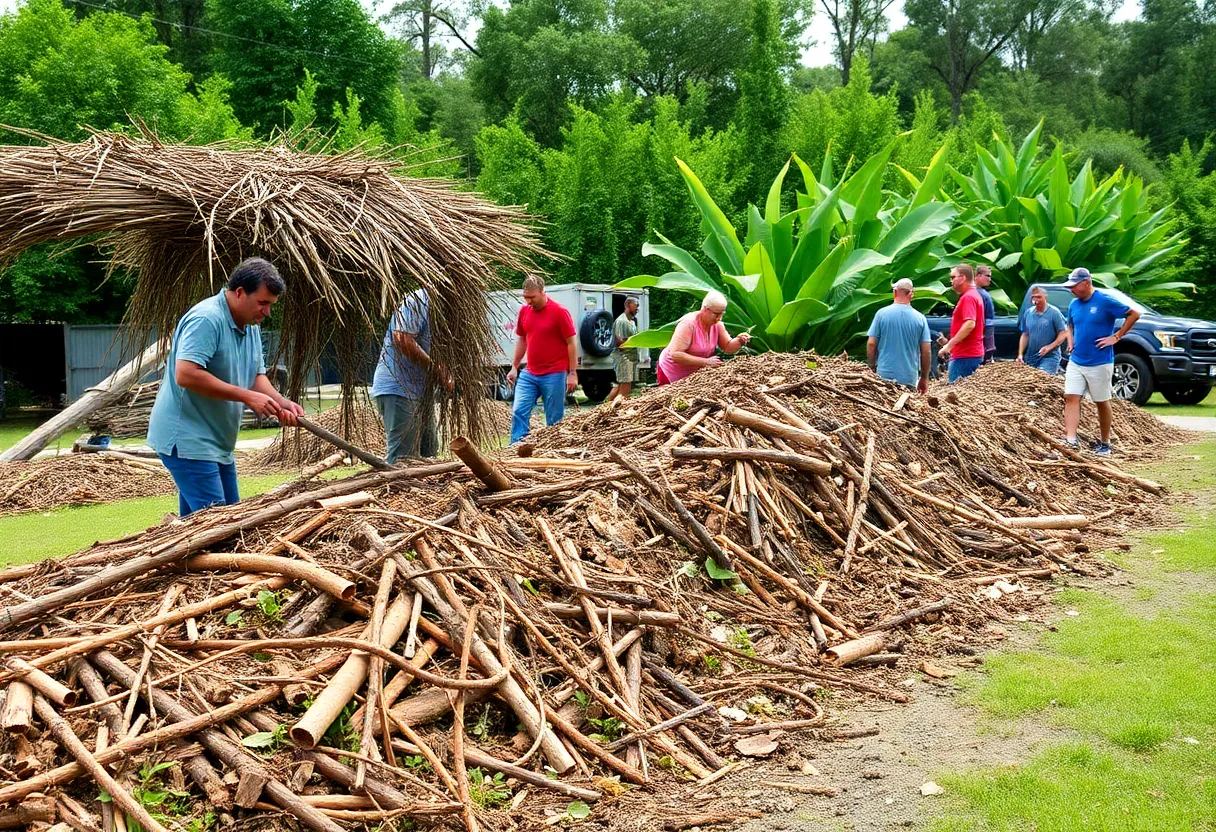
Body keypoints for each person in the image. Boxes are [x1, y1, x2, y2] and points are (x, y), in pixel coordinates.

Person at [148, 257, 304, 517]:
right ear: (240, 292)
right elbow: (186, 374)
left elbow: (255, 376)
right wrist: (246, 397)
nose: (267, 312)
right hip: (188, 440)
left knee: (204, 528)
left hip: (217, 443)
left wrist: (281, 403)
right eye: (263, 303)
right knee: (223, 526)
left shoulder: (249, 324)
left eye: (271, 305)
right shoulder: (207, 319)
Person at [1061, 267, 1141, 456]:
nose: (1071, 289)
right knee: (1071, 397)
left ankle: (1105, 443)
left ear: (1086, 283)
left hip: (1100, 361)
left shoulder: (1104, 300)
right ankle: (1070, 439)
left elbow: (1134, 314)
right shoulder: (1074, 304)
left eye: (1074, 285)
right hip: (1077, 360)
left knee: (1101, 401)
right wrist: (1070, 342)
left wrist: (1116, 336)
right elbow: (1069, 324)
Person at [371, 289, 452, 463]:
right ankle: (396, 490)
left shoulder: (442, 306)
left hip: (421, 391)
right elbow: (401, 338)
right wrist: (437, 370)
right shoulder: (419, 299)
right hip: (400, 388)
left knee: (428, 454)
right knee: (403, 460)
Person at [507, 275, 577, 443]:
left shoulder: (560, 312)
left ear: (542, 292)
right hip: (530, 373)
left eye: (532, 297)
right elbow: (522, 339)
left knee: (554, 419)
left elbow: (571, 343)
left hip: (554, 373)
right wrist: (514, 367)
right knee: (519, 410)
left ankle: (553, 449)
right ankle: (516, 447)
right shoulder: (525, 311)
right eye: (526, 297)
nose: (529, 301)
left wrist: (572, 373)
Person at [656, 291, 751, 385]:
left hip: (694, 375)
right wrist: (706, 362)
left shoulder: (718, 325)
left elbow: (727, 347)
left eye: (722, 314)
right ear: (705, 309)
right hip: (671, 372)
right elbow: (676, 354)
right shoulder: (688, 324)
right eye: (716, 314)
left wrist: (740, 341)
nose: (719, 318)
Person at [867, 278, 932, 394]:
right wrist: (924, 377)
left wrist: (871, 367)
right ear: (911, 294)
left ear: (894, 292)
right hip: (909, 378)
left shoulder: (881, 314)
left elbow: (871, 344)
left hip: (884, 377)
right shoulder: (920, 319)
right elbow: (926, 351)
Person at [936, 264, 986, 383]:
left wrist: (949, 346)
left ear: (963, 278)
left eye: (953, 277)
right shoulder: (973, 295)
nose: (951, 281)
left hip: (965, 356)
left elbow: (970, 324)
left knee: (955, 396)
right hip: (969, 354)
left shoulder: (968, 297)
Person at [1016, 286, 1069, 375]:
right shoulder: (1029, 313)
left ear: (1045, 297)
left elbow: (1063, 333)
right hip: (1031, 356)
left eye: (1039, 297)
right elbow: (1025, 334)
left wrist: (1049, 347)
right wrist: (1020, 354)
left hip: (1049, 356)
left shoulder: (1054, 312)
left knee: (1042, 377)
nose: (1036, 299)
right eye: (1034, 297)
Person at [607, 296, 641, 403]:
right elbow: (618, 341)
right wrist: (633, 342)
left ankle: (606, 407)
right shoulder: (621, 321)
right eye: (635, 305)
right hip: (623, 357)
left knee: (620, 385)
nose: (637, 308)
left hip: (631, 358)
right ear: (627, 305)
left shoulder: (632, 321)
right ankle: (615, 408)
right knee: (625, 387)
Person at [975, 265, 997, 364]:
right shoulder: (974, 293)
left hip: (986, 326)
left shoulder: (982, 292)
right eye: (987, 276)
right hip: (982, 327)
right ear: (978, 276)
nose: (989, 279)